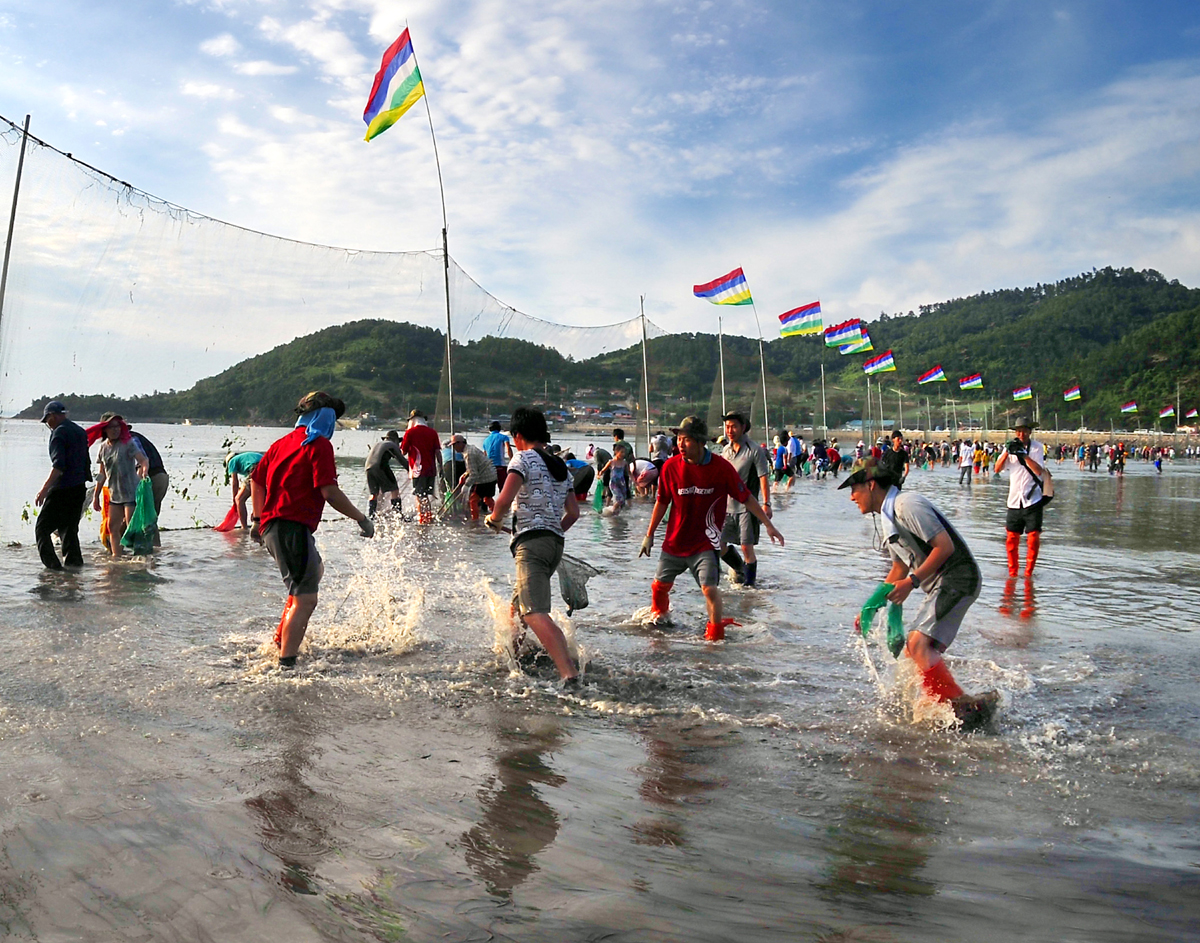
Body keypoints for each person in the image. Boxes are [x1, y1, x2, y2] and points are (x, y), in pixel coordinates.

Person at [840, 457, 996, 728]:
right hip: (940, 583)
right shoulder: (888, 517)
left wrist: (912, 583)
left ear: (871, 484)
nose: (852, 497)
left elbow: (944, 547)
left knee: (917, 643)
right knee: (915, 650)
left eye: (854, 489)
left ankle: (964, 709)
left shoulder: (906, 505)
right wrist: (870, 607)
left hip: (958, 578)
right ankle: (952, 706)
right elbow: (899, 566)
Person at [250, 391, 374, 668]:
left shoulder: (281, 443)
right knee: (306, 600)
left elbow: (256, 481)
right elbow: (329, 491)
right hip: (289, 527)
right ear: (327, 418)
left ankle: (283, 636)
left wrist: (257, 520)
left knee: (314, 572)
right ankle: (286, 664)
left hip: (276, 526)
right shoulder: (318, 445)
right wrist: (361, 518)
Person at [639, 416, 783, 641]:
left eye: (686, 440)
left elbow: (746, 497)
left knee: (710, 589)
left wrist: (769, 524)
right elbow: (662, 502)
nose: (680, 445)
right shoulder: (670, 466)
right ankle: (659, 626)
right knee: (659, 587)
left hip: (706, 544)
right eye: (678, 439)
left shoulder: (721, 468)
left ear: (699, 442)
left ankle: (715, 637)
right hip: (674, 542)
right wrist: (649, 535)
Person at [485, 408, 581, 684]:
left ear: (518, 436)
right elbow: (573, 513)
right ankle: (512, 659)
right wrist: (551, 531)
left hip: (532, 545)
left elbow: (503, 501)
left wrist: (493, 519)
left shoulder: (523, 459)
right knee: (518, 608)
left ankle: (569, 673)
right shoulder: (561, 466)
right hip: (554, 544)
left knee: (534, 612)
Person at [34, 400, 91, 570]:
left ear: (53, 415)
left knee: (42, 528)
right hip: (79, 488)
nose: (48, 424)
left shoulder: (58, 433)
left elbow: (59, 465)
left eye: (47, 420)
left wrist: (44, 490)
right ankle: (74, 567)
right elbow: (85, 461)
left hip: (62, 489)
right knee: (69, 529)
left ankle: (53, 569)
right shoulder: (80, 431)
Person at [719, 412, 772, 587]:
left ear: (743, 427)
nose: (730, 430)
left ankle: (749, 587)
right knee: (718, 544)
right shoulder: (726, 450)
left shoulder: (754, 450)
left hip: (747, 508)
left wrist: (766, 504)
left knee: (746, 547)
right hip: (726, 507)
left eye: (733, 426)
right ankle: (741, 569)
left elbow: (763, 477)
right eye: (727, 427)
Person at [100, 412, 170, 545]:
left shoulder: (130, 440)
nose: (115, 430)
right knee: (149, 519)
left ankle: (127, 549)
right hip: (161, 478)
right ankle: (153, 552)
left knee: (140, 519)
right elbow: (103, 471)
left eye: (117, 426)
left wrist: (136, 487)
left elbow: (141, 462)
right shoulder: (111, 446)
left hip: (150, 480)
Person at [994, 416, 1047, 578]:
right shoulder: (1010, 447)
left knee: (1033, 539)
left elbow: (1039, 470)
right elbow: (997, 469)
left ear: (1030, 432)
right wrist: (1007, 452)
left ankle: (1029, 574)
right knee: (1011, 539)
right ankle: (1013, 574)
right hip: (1014, 500)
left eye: (1024, 431)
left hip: (1033, 500)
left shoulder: (1037, 448)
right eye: (1018, 431)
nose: (1021, 434)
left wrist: (1023, 455)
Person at [90, 415, 150, 557]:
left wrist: (145, 470)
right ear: (105, 429)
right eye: (112, 427)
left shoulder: (128, 443)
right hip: (115, 495)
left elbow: (143, 459)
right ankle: (116, 558)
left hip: (130, 492)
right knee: (112, 527)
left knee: (132, 527)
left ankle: (140, 557)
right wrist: (96, 495)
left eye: (118, 426)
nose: (115, 430)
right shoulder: (103, 448)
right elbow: (102, 474)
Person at [400, 410, 443, 525]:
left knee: (419, 496)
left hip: (417, 470)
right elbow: (438, 452)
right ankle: (428, 517)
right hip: (431, 470)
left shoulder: (410, 433)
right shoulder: (432, 432)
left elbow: (403, 451)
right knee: (425, 495)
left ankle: (422, 520)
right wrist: (441, 467)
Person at [455, 433, 499, 520]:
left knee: (473, 499)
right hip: (490, 476)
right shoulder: (469, 449)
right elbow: (472, 468)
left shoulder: (469, 453)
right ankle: (497, 516)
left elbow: (474, 474)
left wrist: (466, 485)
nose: (454, 448)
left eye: (454, 445)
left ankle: (475, 521)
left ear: (460, 443)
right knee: (487, 499)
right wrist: (464, 475)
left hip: (485, 478)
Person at [365, 431, 408, 517]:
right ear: (396, 440)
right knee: (394, 489)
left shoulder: (378, 444)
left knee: (374, 493)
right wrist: (411, 470)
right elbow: (401, 460)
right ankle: (398, 515)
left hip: (368, 468)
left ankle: (371, 516)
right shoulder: (392, 445)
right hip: (380, 466)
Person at [225, 450, 265, 528]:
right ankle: (259, 523)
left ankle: (244, 528)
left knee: (239, 499)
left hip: (255, 468)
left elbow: (235, 482)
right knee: (261, 497)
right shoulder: (246, 457)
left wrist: (234, 499)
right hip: (268, 469)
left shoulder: (232, 461)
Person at [482, 420, 514, 490]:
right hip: (500, 466)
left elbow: (484, 455)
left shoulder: (485, 440)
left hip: (489, 467)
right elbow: (508, 449)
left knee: (489, 492)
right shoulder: (504, 437)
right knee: (503, 489)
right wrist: (512, 461)